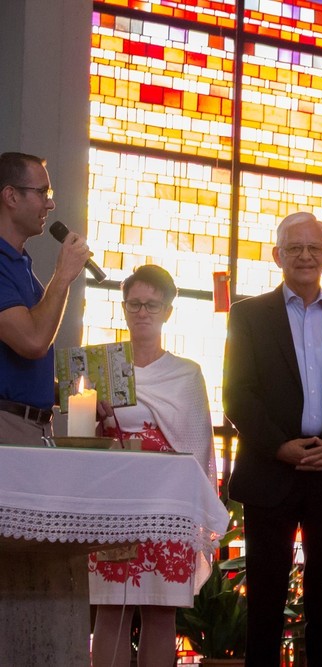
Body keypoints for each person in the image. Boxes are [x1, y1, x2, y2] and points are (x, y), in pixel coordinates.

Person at [223, 211, 322, 667]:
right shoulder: (248, 315)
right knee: (265, 596)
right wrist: (280, 447)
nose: (305, 256)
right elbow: (237, 393)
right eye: (295, 248)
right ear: (278, 255)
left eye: (314, 248)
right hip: (270, 469)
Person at [88, 265, 216, 667]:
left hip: (168, 506)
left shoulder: (187, 374)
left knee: (161, 611)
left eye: (152, 305)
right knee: (112, 608)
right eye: (134, 304)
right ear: (124, 308)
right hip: (115, 502)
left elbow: (198, 447)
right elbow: (80, 437)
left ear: (168, 312)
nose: (142, 312)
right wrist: (92, 413)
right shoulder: (102, 366)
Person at [0, 151, 89, 444]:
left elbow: (19, 375)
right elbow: (33, 342)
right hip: (7, 424)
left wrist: (78, 395)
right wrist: (63, 275)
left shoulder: (21, 265)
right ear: (11, 196)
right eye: (42, 192)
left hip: (34, 426)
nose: (50, 204)